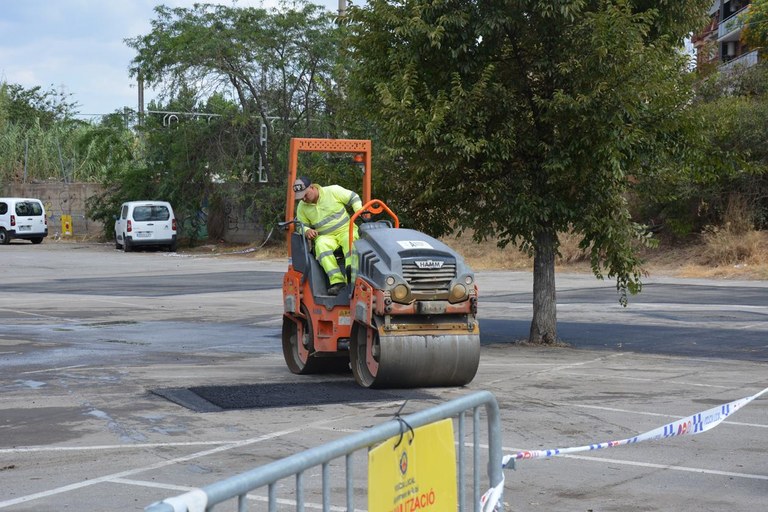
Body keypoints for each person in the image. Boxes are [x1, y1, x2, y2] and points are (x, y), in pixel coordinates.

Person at [294, 176, 363, 295]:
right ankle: (337, 282)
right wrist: (306, 230)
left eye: (305, 195)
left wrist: (359, 211)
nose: (303, 199)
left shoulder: (332, 191)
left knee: (349, 241)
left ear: (312, 187)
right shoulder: (302, 207)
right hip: (326, 236)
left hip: (346, 230)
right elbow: (300, 225)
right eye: (300, 197)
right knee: (320, 245)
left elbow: (353, 197)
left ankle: (352, 277)